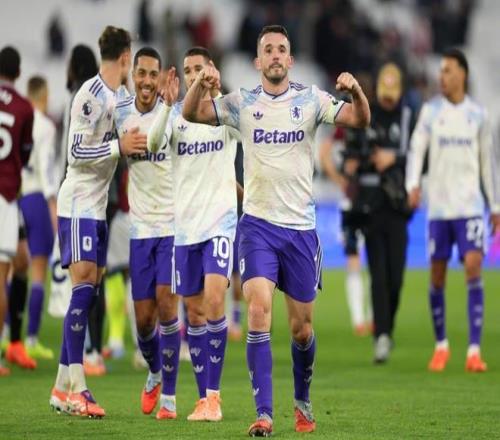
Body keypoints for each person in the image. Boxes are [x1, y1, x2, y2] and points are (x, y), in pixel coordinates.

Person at [182, 25, 370, 436]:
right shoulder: (242, 103)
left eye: (281, 49)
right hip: (258, 227)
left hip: (300, 230)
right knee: (257, 310)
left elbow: (360, 118)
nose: (274, 56)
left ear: (290, 59)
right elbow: (191, 113)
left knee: (302, 329)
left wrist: (356, 91)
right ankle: (264, 414)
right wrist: (198, 82)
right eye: (267, 50)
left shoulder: (311, 99)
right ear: (257, 61)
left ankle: (302, 400)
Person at [49, 25, 147, 418]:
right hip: (78, 203)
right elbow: (75, 153)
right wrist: (117, 146)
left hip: (99, 206)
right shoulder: (89, 95)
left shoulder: (119, 97)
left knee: (89, 291)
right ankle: (79, 389)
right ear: (125, 57)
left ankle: (61, 387)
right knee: (84, 288)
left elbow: (132, 134)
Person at [148, 46, 240, 422]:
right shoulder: (175, 117)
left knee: (215, 301)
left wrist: (217, 88)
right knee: (195, 313)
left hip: (220, 222)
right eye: (187, 70)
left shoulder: (226, 110)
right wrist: (165, 107)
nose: (192, 74)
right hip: (185, 229)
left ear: (211, 69)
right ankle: (203, 398)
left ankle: (214, 398)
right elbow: (152, 144)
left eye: (199, 68)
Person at [406, 48, 500, 373]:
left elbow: (488, 163)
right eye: (441, 71)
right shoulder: (431, 112)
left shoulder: (479, 115)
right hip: (439, 209)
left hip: (470, 206)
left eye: (447, 70)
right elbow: (416, 149)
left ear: (463, 74)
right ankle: (441, 345)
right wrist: (412, 184)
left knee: (474, 266)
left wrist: (495, 204)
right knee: (437, 274)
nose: (441, 76)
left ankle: (474, 350)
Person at [115, 47, 181, 420]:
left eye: (153, 75)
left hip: (170, 226)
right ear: (133, 75)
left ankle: (169, 396)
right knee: (143, 322)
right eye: (141, 73)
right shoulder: (120, 114)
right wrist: (117, 147)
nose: (146, 81)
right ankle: (155, 371)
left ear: (160, 78)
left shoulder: (172, 113)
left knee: (167, 306)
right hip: (139, 230)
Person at [354, 63, 415, 363]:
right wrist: (364, 161)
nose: (388, 98)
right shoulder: (368, 114)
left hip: (398, 206)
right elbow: (354, 152)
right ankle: (381, 335)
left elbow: (420, 154)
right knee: (378, 274)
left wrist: (395, 159)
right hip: (371, 205)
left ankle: (386, 328)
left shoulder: (408, 117)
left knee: (396, 277)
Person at [16, 76, 58, 360]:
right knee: (38, 272)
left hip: (15, 198)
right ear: (44, 95)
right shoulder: (46, 125)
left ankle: (8, 336)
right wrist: (53, 208)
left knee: (12, 270)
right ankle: (31, 339)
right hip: (37, 200)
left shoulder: (18, 117)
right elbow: (46, 169)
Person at [0, 46, 34, 377]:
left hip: (11, 199)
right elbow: (24, 156)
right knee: (3, 275)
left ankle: (15, 342)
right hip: (6, 195)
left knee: (22, 260)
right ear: (19, 73)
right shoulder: (24, 107)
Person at [319, 127, 373, 337]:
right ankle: (361, 318)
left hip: (369, 202)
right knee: (355, 259)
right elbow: (324, 153)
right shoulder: (347, 129)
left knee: (367, 260)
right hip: (353, 204)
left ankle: (366, 318)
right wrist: (341, 179)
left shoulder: (355, 129)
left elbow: (324, 153)